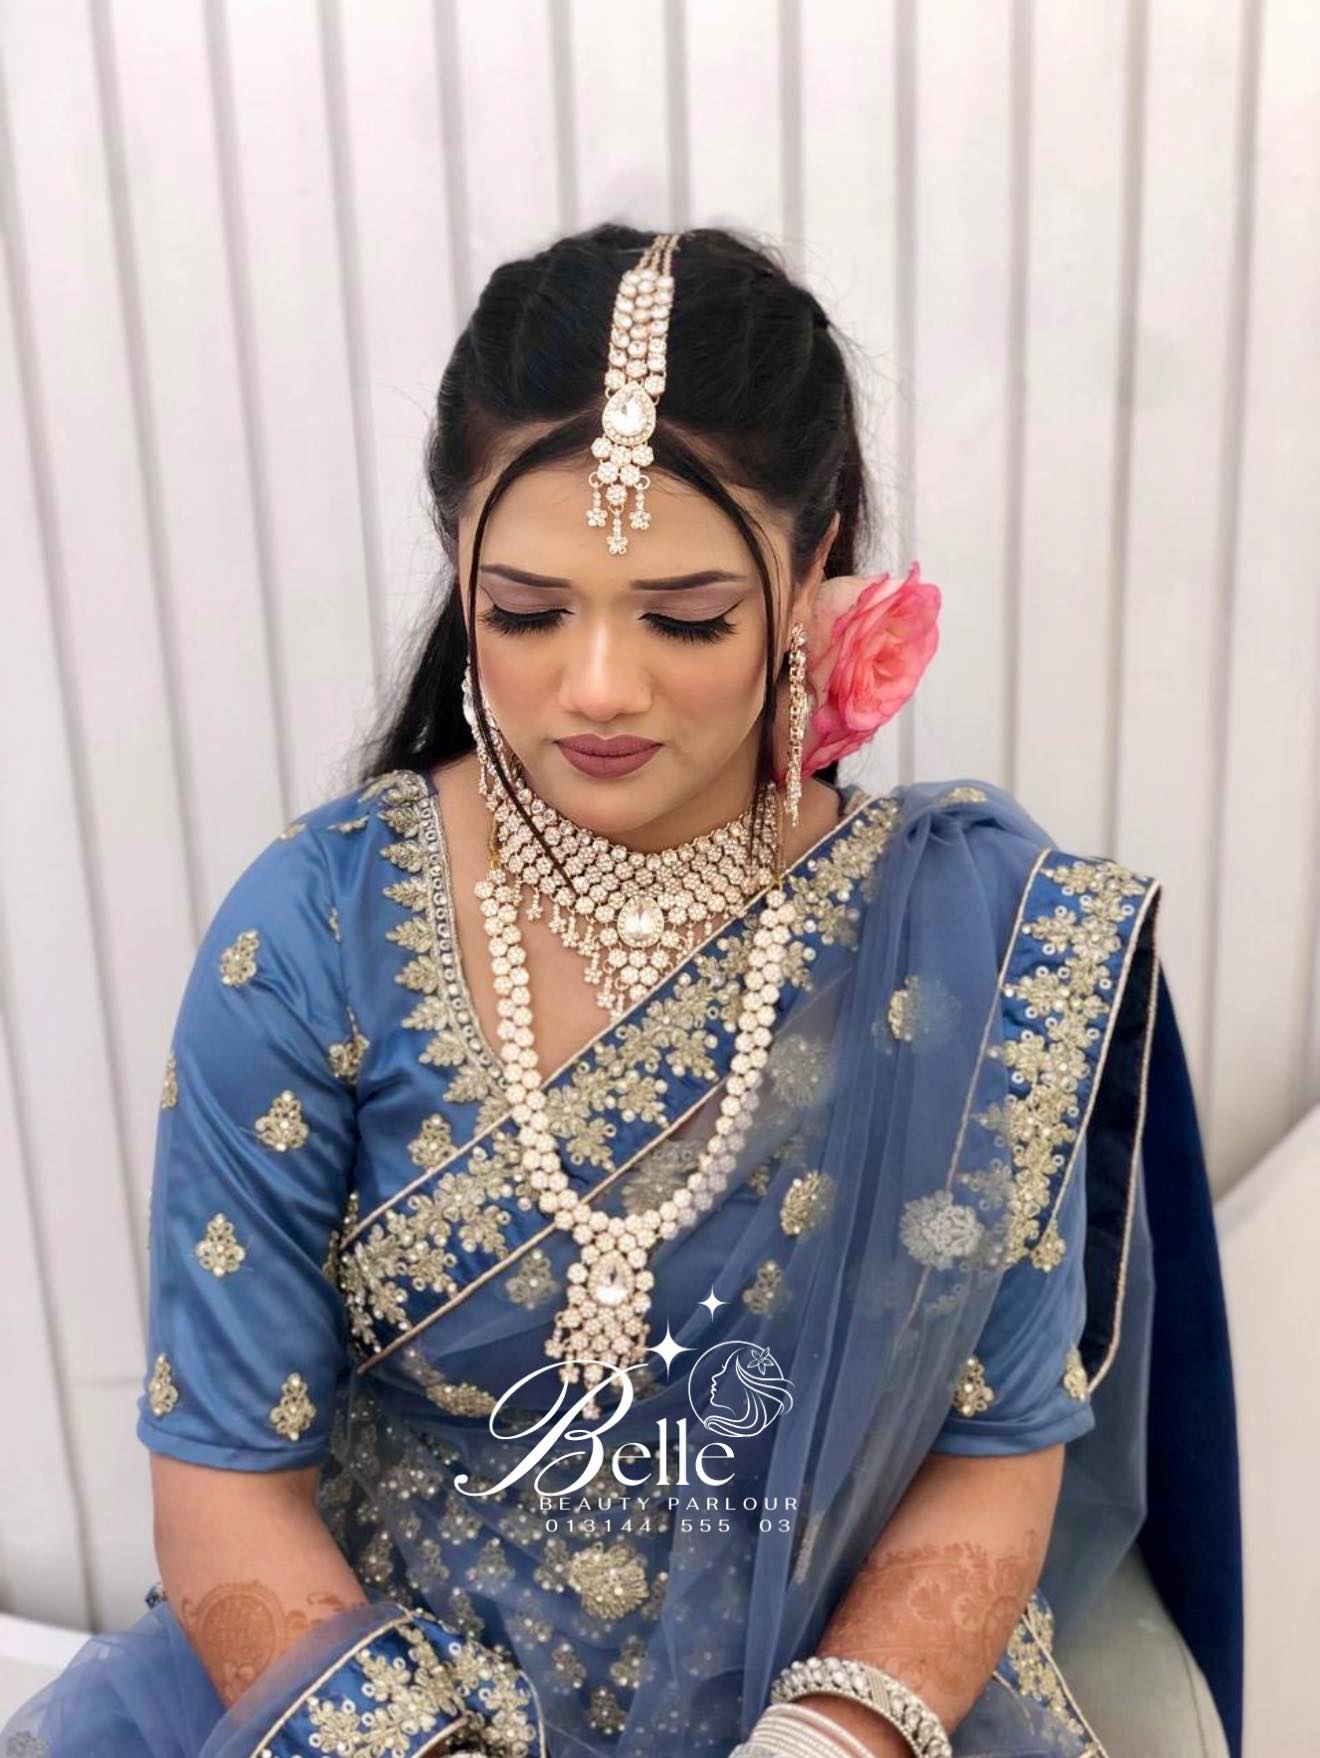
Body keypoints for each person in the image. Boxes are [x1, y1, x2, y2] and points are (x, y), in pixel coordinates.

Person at [0, 225, 1238, 1758]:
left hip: (844, 1695)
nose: (596, 685)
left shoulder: (967, 939)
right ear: (458, 560)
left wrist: (832, 1737)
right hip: (390, 1709)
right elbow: (222, 1484)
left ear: (814, 572)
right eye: (526, 611)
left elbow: (992, 1439)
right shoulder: (317, 931)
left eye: (687, 615)